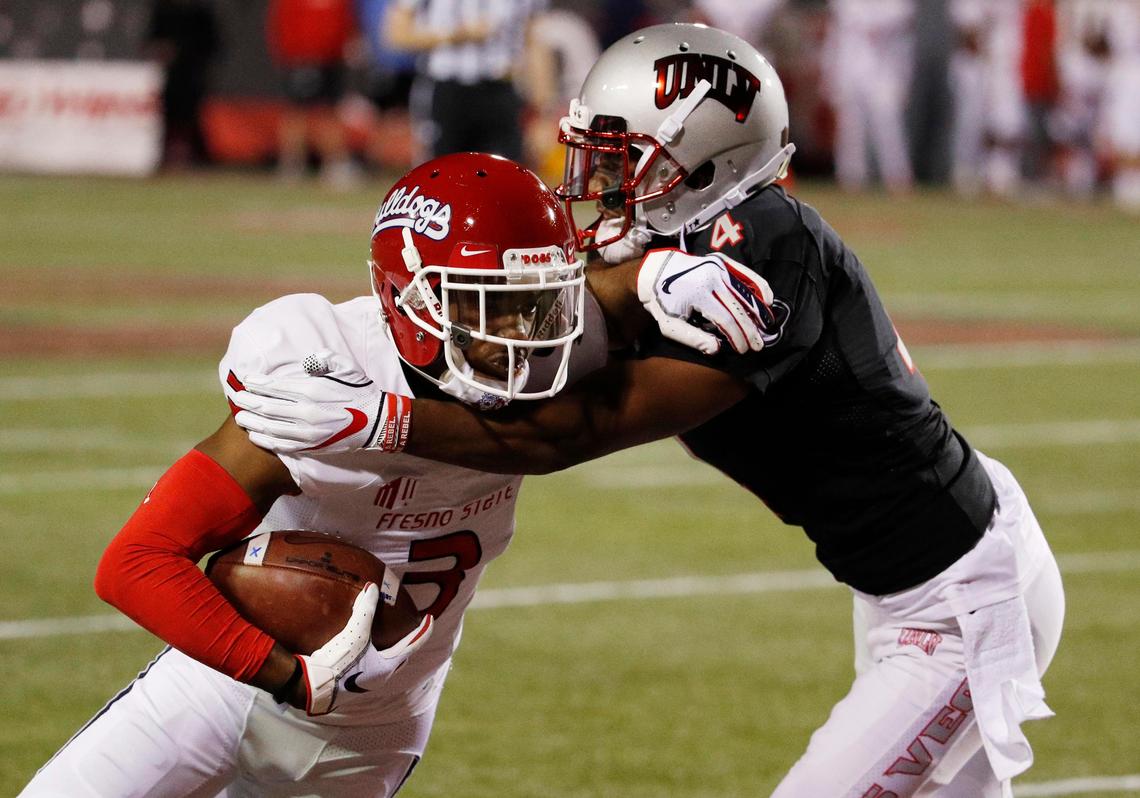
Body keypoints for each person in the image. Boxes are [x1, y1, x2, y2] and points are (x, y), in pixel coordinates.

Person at [233, 24, 1067, 797]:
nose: (594, 183)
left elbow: (576, 425)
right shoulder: (695, 237)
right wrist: (649, 277)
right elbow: (537, 318)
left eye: (622, 157)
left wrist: (379, 422)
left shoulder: (766, 254)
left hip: (957, 600)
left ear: (704, 159)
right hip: (909, 579)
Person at [18, 153, 593, 797]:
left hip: (376, 732)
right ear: (408, 298)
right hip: (222, 690)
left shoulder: (563, 377)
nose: (523, 339)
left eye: (536, 304)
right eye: (490, 307)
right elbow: (136, 561)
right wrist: (283, 673)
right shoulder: (330, 377)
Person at [384, 0, 552, 164]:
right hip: (446, 90)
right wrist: (455, 35)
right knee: (440, 179)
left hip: (501, 91)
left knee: (506, 181)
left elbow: (535, 43)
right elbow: (397, 34)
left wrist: (542, 113)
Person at [266, 0, 361, 188]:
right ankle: (292, 163)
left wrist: (348, 47)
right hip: (300, 58)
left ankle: (336, 164)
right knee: (297, 112)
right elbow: (280, 25)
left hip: (331, 61)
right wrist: (293, 53)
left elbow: (347, 23)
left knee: (329, 112)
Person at [145, 0, 220, 168]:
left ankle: (194, 157)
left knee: (190, 117)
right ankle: (164, 156)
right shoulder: (163, 11)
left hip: (193, 75)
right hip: (167, 78)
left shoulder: (200, 12)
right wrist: (160, 51)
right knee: (166, 117)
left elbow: (213, 45)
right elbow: (150, 41)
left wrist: (184, 52)